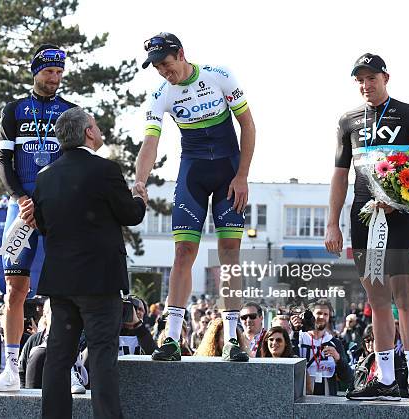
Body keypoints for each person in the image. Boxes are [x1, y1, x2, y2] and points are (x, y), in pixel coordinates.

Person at [325, 53, 409, 404]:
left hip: (400, 216)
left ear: (385, 77)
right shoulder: (347, 120)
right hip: (363, 218)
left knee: (405, 299)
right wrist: (332, 222)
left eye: (371, 78)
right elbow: (340, 175)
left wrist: (399, 199)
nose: (365, 85)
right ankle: (386, 378)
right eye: (359, 80)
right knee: (376, 301)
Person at [135, 32, 256, 362]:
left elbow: (248, 125)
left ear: (182, 54)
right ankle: (172, 336)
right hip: (193, 173)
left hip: (229, 171)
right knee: (183, 251)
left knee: (229, 252)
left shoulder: (219, 76)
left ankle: (232, 337)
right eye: (157, 67)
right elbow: (150, 143)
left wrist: (242, 175)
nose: (163, 71)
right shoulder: (161, 94)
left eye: (166, 63)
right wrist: (139, 181)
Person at [32, 107, 147, 419]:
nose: (98, 130)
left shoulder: (44, 177)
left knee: (58, 355)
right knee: (101, 356)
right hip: (100, 282)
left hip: (61, 282)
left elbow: (43, 225)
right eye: (95, 125)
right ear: (88, 132)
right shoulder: (105, 170)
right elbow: (131, 215)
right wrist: (140, 198)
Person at [0, 44, 77, 392]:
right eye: (48, 71)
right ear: (35, 71)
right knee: (15, 288)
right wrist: (20, 198)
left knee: (64, 290)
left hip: (57, 209)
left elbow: (77, 161)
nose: (54, 78)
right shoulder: (14, 110)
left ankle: (66, 368)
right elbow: (1, 161)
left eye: (59, 72)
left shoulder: (71, 112)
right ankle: (10, 369)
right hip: (21, 206)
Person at [290, 299, 352, 396]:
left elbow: (347, 377)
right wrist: (295, 332)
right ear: (311, 315)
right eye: (318, 313)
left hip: (327, 396)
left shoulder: (334, 342)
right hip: (301, 394)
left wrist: (338, 358)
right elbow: (290, 367)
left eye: (326, 314)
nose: (322, 317)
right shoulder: (299, 338)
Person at [347, 324, 409, 399]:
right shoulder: (361, 362)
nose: (370, 344)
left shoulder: (398, 362)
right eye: (367, 340)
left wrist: (382, 392)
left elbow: (405, 391)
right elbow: (352, 389)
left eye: (373, 340)